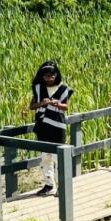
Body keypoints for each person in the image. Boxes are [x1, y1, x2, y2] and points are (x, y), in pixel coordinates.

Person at [29, 60, 73, 196]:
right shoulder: (38, 88)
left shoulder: (63, 88)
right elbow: (32, 106)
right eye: (46, 76)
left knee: (58, 157)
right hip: (42, 126)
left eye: (51, 75)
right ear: (42, 76)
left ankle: (62, 187)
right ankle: (49, 185)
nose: (49, 78)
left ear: (56, 75)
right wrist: (42, 103)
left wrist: (56, 103)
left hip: (57, 126)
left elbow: (66, 107)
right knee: (45, 156)